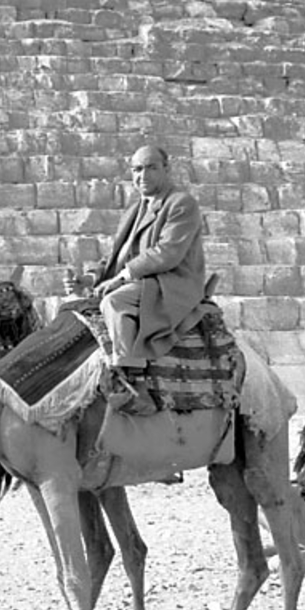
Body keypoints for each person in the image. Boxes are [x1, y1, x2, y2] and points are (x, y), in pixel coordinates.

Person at [70, 145, 207, 413]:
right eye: (137, 169)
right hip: (140, 280)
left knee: (114, 303)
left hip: (170, 283)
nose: (142, 176)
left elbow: (167, 253)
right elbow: (118, 256)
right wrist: (89, 279)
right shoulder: (135, 208)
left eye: (151, 168)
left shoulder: (181, 204)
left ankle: (132, 382)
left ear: (167, 169)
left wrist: (120, 280)